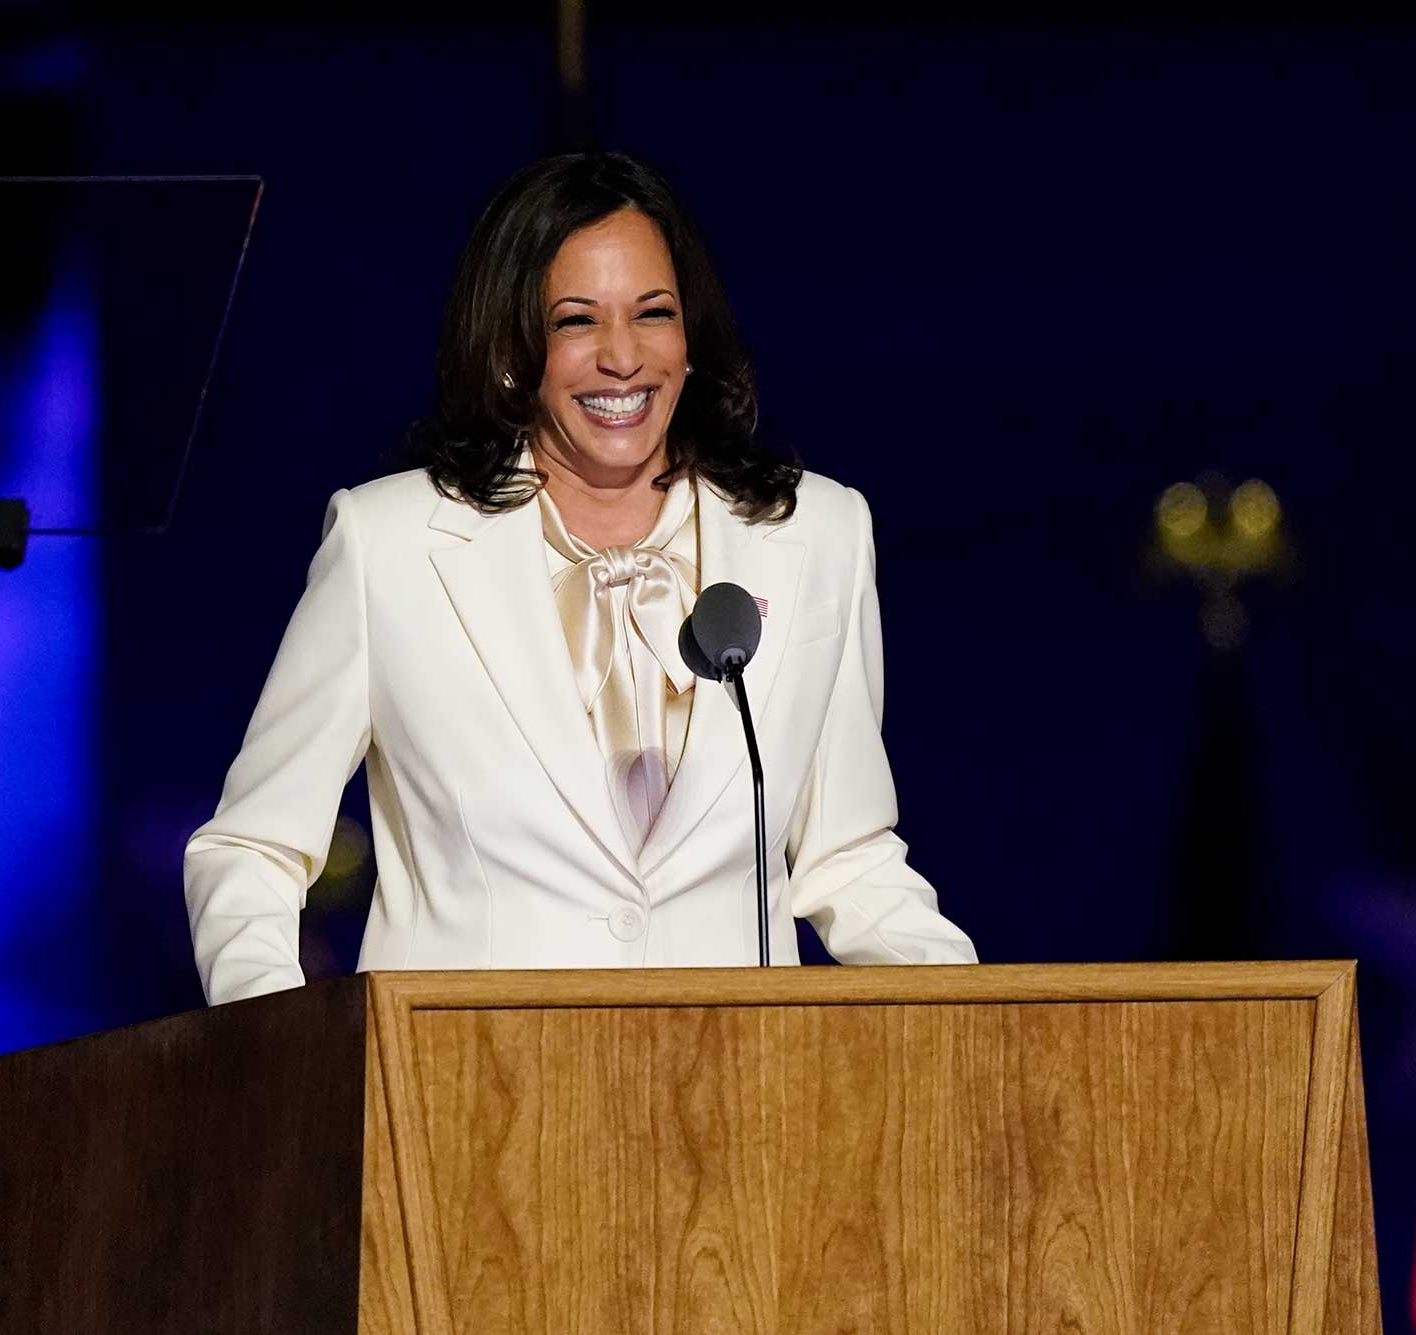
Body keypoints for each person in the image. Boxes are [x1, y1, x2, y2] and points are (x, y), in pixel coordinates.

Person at [184, 152, 976, 1005]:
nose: (623, 357)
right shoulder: (390, 546)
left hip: (744, 1100)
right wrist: (279, 1053)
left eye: (654, 313)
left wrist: (991, 1026)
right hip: (468, 1100)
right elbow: (252, 848)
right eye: (576, 321)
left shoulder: (817, 534)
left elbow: (849, 856)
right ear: (511, 351)